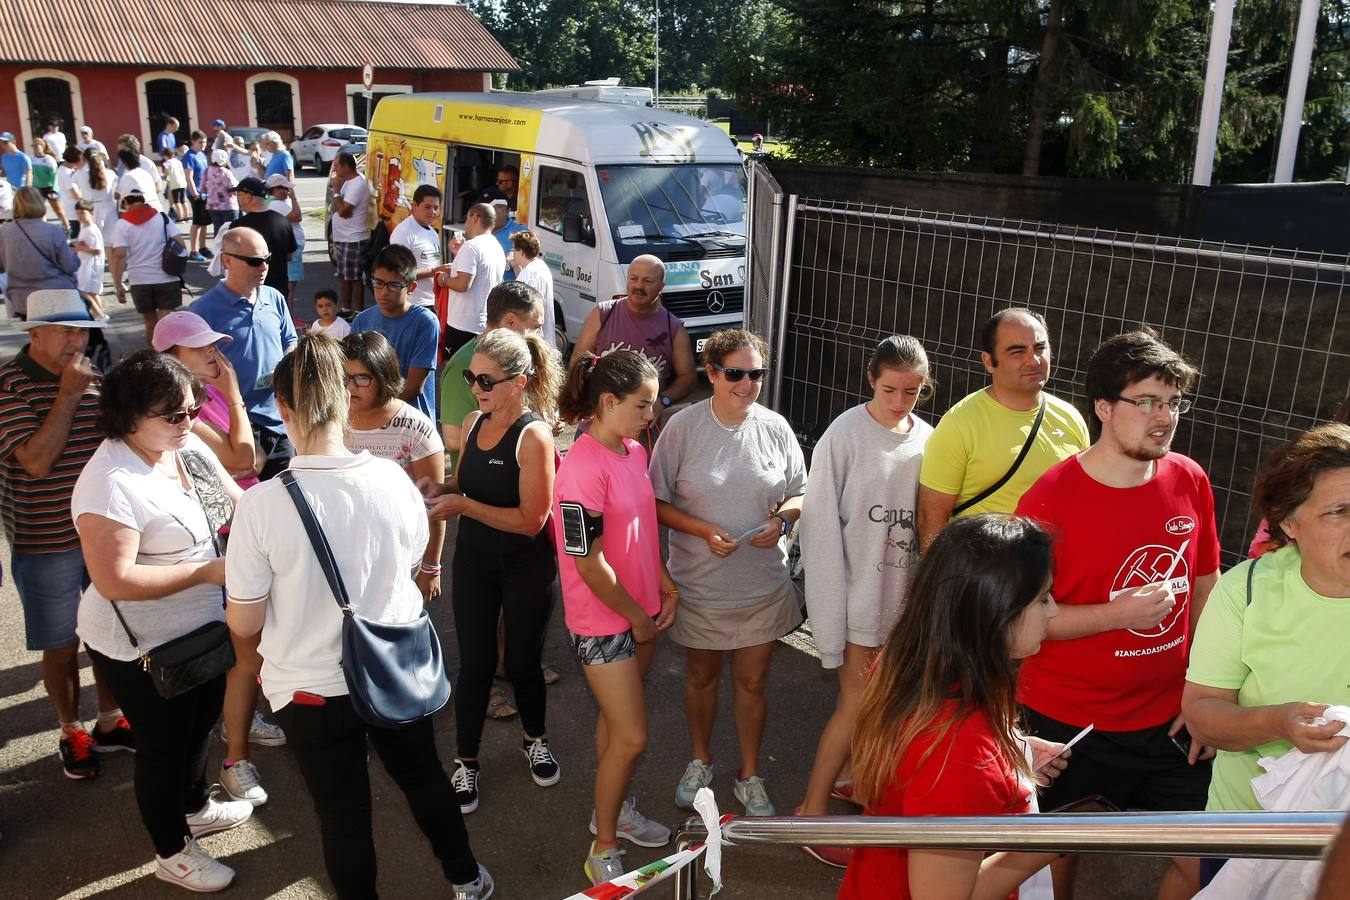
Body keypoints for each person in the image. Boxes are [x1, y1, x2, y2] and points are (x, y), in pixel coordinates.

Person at [225, 335, 494, 900]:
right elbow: (413, 556)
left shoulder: (262, 503)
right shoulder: (393, 479)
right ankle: (467, 878)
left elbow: (245, 624)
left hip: (308, 690)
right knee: (423, 779)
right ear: (345, 401)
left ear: (283, 407)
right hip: (392, 668)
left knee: (341, 815)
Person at [1014, 329, 1219, 900]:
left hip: (1171, 720)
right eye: (1146, 401)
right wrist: (1116, 614)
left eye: (1173, 401)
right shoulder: (1050, 500)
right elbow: (1021, 626)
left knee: (1203, 859)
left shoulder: (1189, 478)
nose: (1164, 416)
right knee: (1041, 859)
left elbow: (1206, 584)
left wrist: (1207, 690)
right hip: (1065, 725)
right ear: (1104, 407)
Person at [74, 350, 252, 892]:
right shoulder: (109, 482)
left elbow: (237, 498)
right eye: (173, 414)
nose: (190, 421)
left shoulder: (184, 444)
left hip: (200, 626)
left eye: (193, 408)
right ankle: (171, 851)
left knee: (200, 721)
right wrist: (207, 572)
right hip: (141, 643)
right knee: (163, 743)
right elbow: (115, 581)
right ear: (129, 416)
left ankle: (194, 804)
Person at [840, 513, 1068, 899]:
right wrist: (1043, 845)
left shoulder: (913, 664)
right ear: (996, 615)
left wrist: (1014, 751)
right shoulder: (957, 748)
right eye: (1043, 598)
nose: (1055, 611)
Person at [1182, 423, 1350, 886]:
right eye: (1340, 511)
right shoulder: (1248, 589)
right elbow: (1201, 712)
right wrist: (1278, 723)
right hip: (1248, 832)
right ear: (1289, 522)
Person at [649, 329, 806, 819]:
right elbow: (654, 501)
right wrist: (701, 528)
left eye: (755, 373)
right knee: (700, 678)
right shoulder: (682, 427)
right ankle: (700, 761)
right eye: (734, 373)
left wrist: (783, 519)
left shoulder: (776, 427)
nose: (746, 383)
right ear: (712, 373)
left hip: (761, 584)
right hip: (699, 585)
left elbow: (801, 493)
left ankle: (750, 774)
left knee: (754, 682)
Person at [795, 335, 936, 866]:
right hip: (859, 598)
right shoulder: (845, 434)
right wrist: (832, 604)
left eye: (913, 391)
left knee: (888, 708)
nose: (900, 401)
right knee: (855, 707)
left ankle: (855, 780)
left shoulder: (929, 437)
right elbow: (820, 524)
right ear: (870, 380)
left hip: (905, 601)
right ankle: (809, 814)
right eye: (889, 389)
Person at [421, 327, 563, 816]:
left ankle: (535, 739)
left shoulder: (535, 435)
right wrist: (440, 488)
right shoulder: (475, 420)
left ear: (519, 382)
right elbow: (468, 480)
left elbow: (532, 520)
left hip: (527, 568)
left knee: (523, 663)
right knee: (476, 665)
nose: (476, 386)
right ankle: (466, 761)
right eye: (471, 376)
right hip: (477, 564)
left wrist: (462, 504)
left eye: (486, 378)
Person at [553, 348, 679, 884]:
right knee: (631, 737)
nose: (652, 415)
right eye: (643, 405)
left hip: (640, 611)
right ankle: (603, 846)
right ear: (608, 401)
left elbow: (641, 529)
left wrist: (663, 583)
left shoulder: (632, 449)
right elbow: (588, 561)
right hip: (605, 620)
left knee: (615, 724)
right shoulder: (580, 468)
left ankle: (614, 810)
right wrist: (637, 615)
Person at [0, 289, 128, 781]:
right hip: (45, 539)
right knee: (61, 642)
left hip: (99, 533)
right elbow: (35, 461)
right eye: (66, 332)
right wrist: (70, 394)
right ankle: (70, 728)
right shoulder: (9, 385)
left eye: (81, 331)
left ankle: (111, 721)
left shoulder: (89, 376)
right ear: (35, 335)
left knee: (111, 632)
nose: (77, 341)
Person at [917, 307, 1089, 550]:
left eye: (1040, 348)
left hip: (1053, 577)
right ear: (989, 361)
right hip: (982, 577)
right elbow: (930, 518)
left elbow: (1079, 503)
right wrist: (941, 585)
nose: (1034, 360)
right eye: (1017, 352)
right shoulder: (960, 423)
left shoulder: (1071, 418)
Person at [341, 330, 446, 603]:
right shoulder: (330, 422)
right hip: (343, 557)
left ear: (384, 375)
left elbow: (433, 506)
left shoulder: (416, 428)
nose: (350, 387)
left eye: (362, 378)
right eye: (344, 378)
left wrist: (430, 567)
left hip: (401, 563)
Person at [190, 226, 299, 480]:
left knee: (288, 499)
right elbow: (191, 371)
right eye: (254, 261)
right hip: (234, 425)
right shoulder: (203, 311)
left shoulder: (274, 297)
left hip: (280, 420)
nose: (263, 267)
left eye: (267, 259)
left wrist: (284, 366)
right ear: (227, 260)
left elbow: (290, 339)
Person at [571, 254, 698, 450]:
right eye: (634, 278)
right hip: (596, 428)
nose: (639, 285)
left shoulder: (673, 328)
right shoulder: (603, 313)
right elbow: (579, 360)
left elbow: (688, 378)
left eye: (647, 281)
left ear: (661, 287)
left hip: (643, 432)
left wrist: (662, 401)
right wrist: (581, 399)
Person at [439, 281, 545, 472]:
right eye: (535, 327)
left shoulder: (520, 358)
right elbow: (453, 439)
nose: (540, 335)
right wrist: (527, 435)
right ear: (510, 321)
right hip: (478, 481)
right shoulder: (466, 363)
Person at [151, 311, 260, 488]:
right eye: (197, 345)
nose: (211, 349)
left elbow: (257, 453)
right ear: (171, 358)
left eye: (211, 343)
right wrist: (234, 397)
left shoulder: (215, 390)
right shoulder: (180, 409)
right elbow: (244, 459)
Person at [351, 245, 439, 419]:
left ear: (411, 287)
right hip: (369, 420)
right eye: (378, 283)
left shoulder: (426, 323)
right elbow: (352, 376)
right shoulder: (361, 321)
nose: (384, 292)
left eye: (394, 285)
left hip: (412, 422)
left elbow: (413, 387)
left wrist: (375, 409)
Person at [110, 189, 186, 345]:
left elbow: (120, 254)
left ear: (126, 203)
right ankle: (174, 361)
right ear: (144, 201)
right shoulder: (161, 218)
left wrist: (118, 285)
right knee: (169, 324)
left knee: (151, 326)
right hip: (166, 277)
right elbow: (180, 243)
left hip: (140, 280)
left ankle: (154, 362)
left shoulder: (122, 224)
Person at [0, 187, 80, 319]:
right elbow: (69, 266)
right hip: (54, 296)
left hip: (22, 299)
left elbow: (1, 266)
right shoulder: (53, 231)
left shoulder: (4, 232)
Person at [442, 202, 506, 354]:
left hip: (462, 325)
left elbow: (463, 285)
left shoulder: (471, 246)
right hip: (483, 325)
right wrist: (459, 255)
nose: (465, 224)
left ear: (476, 217)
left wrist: (443, 280)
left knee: (454, 373)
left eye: (466, 218)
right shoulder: (496, 246)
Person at [225, 177, 296, 300]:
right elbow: (290, 255)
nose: (237, 199)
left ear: (248, 196)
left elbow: (231, 260)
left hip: (249, 290)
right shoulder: (283, 221)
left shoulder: (239, 226)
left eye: (239, 194)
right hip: (278, 289)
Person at [389, 184, 447, 309]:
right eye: (427, 207)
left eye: (436, 208)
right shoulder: (404, 232)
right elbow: (397, 273)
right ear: (414, 205)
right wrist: (434, 271)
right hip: (411, 305)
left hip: (432, 302)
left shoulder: (432, 231)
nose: (432, 212)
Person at [328, 151, 371, 311]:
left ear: (346, 166)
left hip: (353, 238)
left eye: (337, 166)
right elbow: (338, 207)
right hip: (343, 237)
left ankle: (358, 310)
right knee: (344, 275)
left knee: (354, 277)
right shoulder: (346, 181)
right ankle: (346, 308)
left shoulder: (357, 184)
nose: (335, 170)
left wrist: (337, 191)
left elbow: (344, 211)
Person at [509, 230, 555, 346]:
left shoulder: (528, 273)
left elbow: (524, 309)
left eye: (514, 250)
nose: (513, 253)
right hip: (544, 338)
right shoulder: (541, 266)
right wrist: (516, 267)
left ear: (521, 252)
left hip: (532, 340)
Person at [265, 174, 305, 302]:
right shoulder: (276, 204)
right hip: (291, 246)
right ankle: (290, 316)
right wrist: (294, 199)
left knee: (288, 284)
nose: (287, 192)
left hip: (283, 245)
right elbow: (297, 216)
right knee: (290, 285)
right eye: (285, 188)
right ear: (275, 189)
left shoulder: (268, 202)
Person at [71, 201, 106, 320]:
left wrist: (78, 248)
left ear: (91, 213)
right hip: (87, 263)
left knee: (83, 292)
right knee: (92, 292)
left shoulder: (91, 230)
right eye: (78, 213)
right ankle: (99, 314)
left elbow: (96, 250)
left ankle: (99, 314)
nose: (80, 216)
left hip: (90, 266)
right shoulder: (85, 228)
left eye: (83, 213)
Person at [74, 148, 117, 238]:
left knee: (92, 243)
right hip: (109, 210)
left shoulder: (78, 174)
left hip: (90, 211)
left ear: (84, 159)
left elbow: (72, 189)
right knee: (110, 244)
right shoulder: (110, 173)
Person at [181, 132, 211, 260]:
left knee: (204, 222)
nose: (203, 145)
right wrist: (195, 194)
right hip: (196, 194)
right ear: (193, 142)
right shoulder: (189, 156)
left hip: (206, 193)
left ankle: (202, 247)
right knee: (197, 222)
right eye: (200, 142)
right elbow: (189, 177)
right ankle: (193, 251)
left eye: (204, 142)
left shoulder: (202, 155)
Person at [30, 138, 68, 231]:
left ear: (42, 147)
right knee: (40, 210)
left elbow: (55, 175)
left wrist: (53, 189)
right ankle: (44, 228)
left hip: (50, 188)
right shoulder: (31, 159)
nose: (35, 148)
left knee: (58, 210)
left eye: (37, 146)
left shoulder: (49, 159)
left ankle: (67, 227)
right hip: (38, 188)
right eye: (33, 146)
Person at [201, 149, 239, 235]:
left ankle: (218, 248)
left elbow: (202, 188)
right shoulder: (226, 172)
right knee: (231, 231)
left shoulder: (206, 171)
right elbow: (234, 188)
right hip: (228, 206)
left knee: (218, 231)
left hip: (212, 205)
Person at [116, 147, 162, 212]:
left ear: (125, 164)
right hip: (157, 210)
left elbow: (119, 195)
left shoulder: (127, 176)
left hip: (145, 213)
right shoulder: (146, 173)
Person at [57, 146, 84, 236]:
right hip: (74, 213)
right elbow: (75, 194)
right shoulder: (66, 173)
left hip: (71, 210)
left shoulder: (66, 169)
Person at [161, 147, 191, 224]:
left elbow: (166, 173)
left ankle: (180, 218)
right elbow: (182, 171)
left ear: (165, 155)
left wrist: (166, 175)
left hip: (174, 183)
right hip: (182, 182)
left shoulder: (166, 163)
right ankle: (187, 217)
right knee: (183, 200)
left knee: (176, 201)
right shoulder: (178, 162)